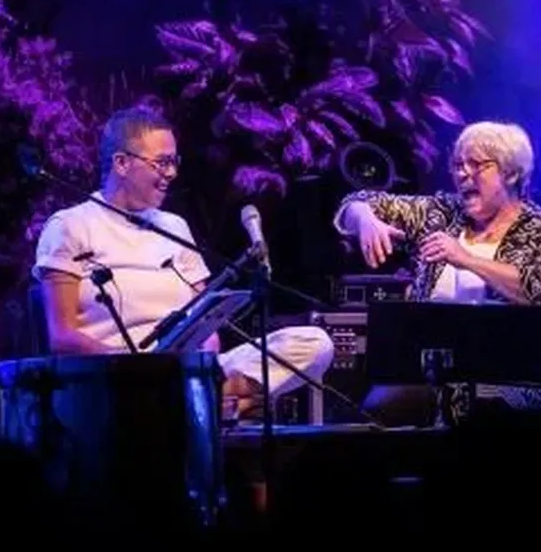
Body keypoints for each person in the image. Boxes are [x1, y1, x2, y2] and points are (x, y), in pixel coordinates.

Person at [33, 106, 335, 418]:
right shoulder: (70, 225)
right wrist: (133, 364)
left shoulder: (174, 226)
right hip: (119, 377)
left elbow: (207, 317)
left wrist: (207, 359)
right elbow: (62, 336)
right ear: (121, 163)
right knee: (151, 386)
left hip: (187, 370)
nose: (172, 173)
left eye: (174, 162)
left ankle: (208, 397)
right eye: (161, 162)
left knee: (314, 343)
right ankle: (209, 404)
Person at [333, 120, 541, 425]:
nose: (463, 173)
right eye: (458, 164)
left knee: (485, 413)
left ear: (512, 173)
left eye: (477, 165)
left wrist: (466, 258)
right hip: (433, 377)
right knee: (373, 410)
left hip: (516, 376)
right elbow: (355, 203)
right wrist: (366, 220)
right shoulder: (442, 214)